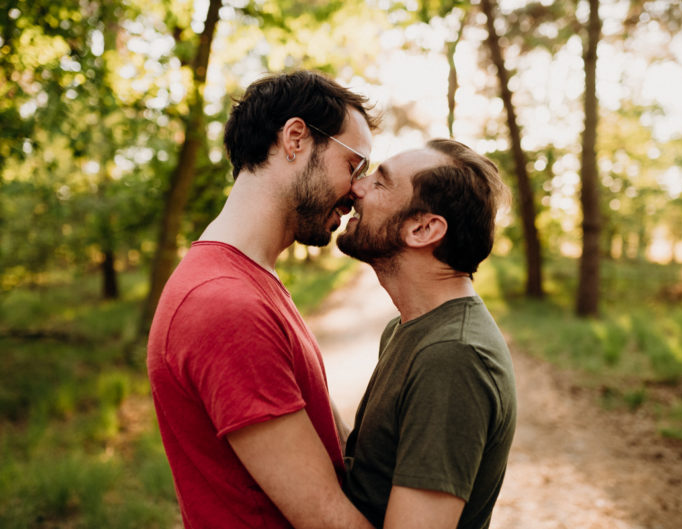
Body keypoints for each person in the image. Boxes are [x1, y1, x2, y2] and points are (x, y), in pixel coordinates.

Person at [147, 70, 377, 529]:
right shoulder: (223, 304)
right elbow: (327, 519)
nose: (357, 191)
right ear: (296, 139)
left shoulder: (250, 279)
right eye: (354, 165)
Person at [337, 138, 517, 529]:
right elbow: (371, 472)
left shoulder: (454, 356)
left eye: (380, 182)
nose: (357, 187)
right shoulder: (407, 328)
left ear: (422, 229)